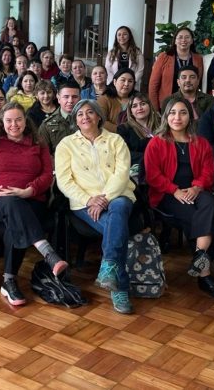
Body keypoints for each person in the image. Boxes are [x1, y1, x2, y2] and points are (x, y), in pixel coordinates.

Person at [0, 102, 65, 306]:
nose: (14, 124)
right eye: (9, 120)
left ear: (26, 121)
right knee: (12, 205)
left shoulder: (38, 144)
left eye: (18, 119)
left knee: (15, 221)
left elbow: (46, 174)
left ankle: (9, 281)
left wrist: (28, 190)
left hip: (32, 200)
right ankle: (47, 252)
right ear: (2, 122)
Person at [56, 100, 137, 313]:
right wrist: (89, 200)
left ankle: (109, 266)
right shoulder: (66, 144)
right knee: (115, 227)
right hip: (84, 203)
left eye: (90, 112)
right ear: (75, 120)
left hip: (118, 196)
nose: (85, 117)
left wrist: (105, 198)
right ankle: (119, 286)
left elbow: (122, 173)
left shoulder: (116, 140)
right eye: (80, 114)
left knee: (117, 210)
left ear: (99, 116)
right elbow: (64, 181)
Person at [143, 97, 214, 299]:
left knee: (209, 203)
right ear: (166, 117)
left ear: (190, 117)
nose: (177, 117)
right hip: (167, 195)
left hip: (196, 191)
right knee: (196, 215)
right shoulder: (156, 143)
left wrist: (197, 187)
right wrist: (175, 190)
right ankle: (205, 274)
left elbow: (209, 171)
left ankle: (199, 256)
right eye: (172, 112)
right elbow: (152, 175)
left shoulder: (201, 143)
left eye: (182, 112)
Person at [149, 27, 204, 111]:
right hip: (167, 105)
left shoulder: (198, 59)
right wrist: (155, 110)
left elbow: (198, 82)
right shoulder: (164, 57)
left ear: (192, 40)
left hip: (191, 106)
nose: (183, 40)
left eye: (187, 37)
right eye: (180, 37)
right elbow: (153, 85)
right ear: (175, 41)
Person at [118, 93, 160, 183]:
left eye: (143, 104)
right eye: (134, 106)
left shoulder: (161, 125)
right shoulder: (124, 129)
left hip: (163, 166)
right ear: (131, 111)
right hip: (138, 171)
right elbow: (125, 152)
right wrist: (148, 158)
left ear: (150, 106)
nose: (139, 108)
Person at [39, 81, 80, 157]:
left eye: (74, 97)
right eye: (66, 97)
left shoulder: (87, 121)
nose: (70, 101)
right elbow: (44, 155)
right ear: (58, 98)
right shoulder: (47, 125)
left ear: (80, 98)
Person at [97, 67, 136, 133]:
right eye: (123, 80)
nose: (126, 84)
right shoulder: (104, 99)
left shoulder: (137, 99)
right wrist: (120, 131)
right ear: (114, 82)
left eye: (130, 81)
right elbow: (99, 120)